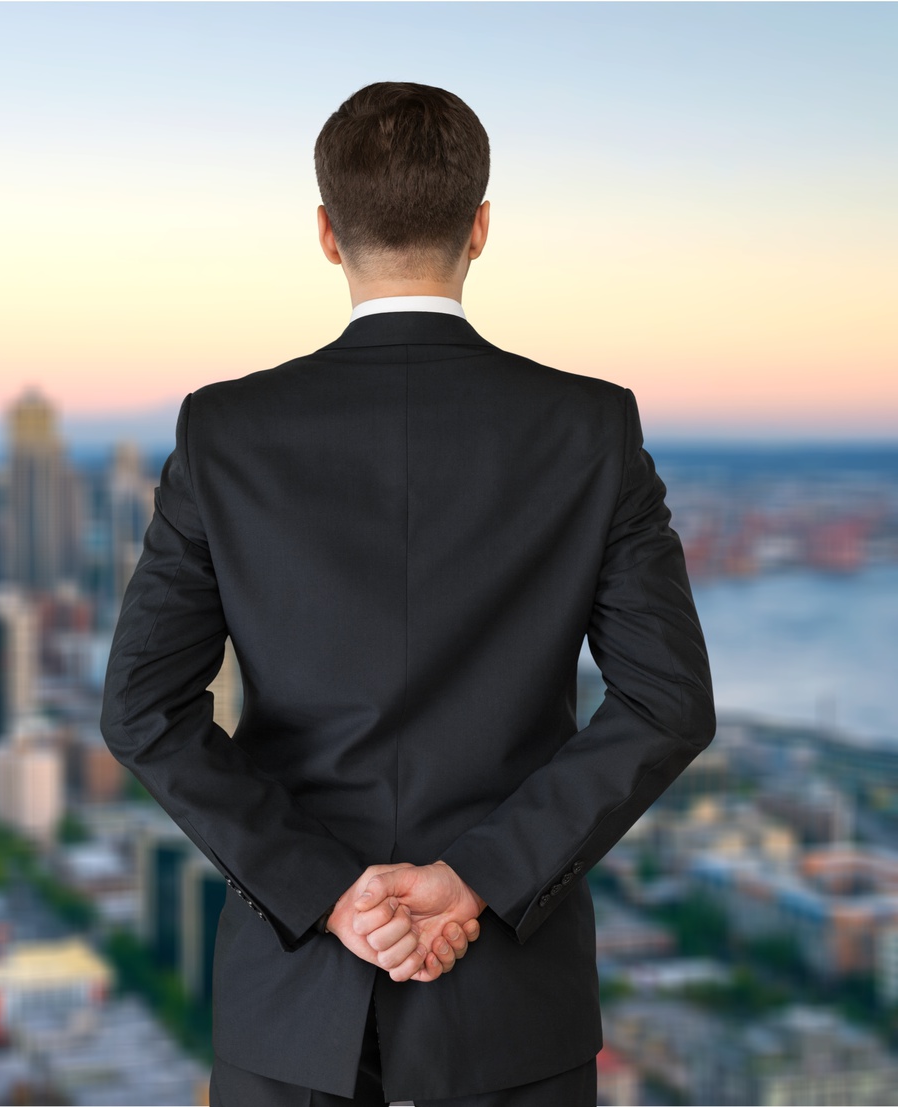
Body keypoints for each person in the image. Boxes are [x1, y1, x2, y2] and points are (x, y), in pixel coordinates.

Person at [99, 81, 715, 1107]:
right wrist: (480, 876)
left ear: (327, 236)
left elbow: (141, 709)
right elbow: (666, 701)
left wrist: (328, 894)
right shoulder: (590, 429)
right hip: (513, 1001)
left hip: (291, 1000)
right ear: (480, 228)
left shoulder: (226, 431)